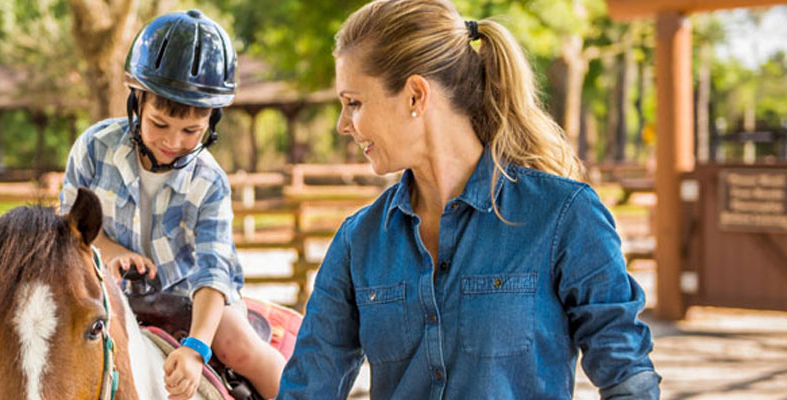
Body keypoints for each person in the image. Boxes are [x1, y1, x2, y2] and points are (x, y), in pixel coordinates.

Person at [277, 0, 660, 398]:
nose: (343, 125)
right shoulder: (359, 240)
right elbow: (307, 388)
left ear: (414, 96)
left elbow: (627, 377)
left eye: (353, 103)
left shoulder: (564, 215)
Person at [58, 10, 285, 400]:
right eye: (159, 124)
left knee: (241, 347)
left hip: (189, 292)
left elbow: (213, 272)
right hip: (105, 287)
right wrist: (112, 253)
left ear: (211, 123)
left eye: (191, 132)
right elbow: (71, 230)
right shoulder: (94, 148)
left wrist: (197, 346)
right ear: (137, 103)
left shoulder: (210, 182)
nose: (173, 141)